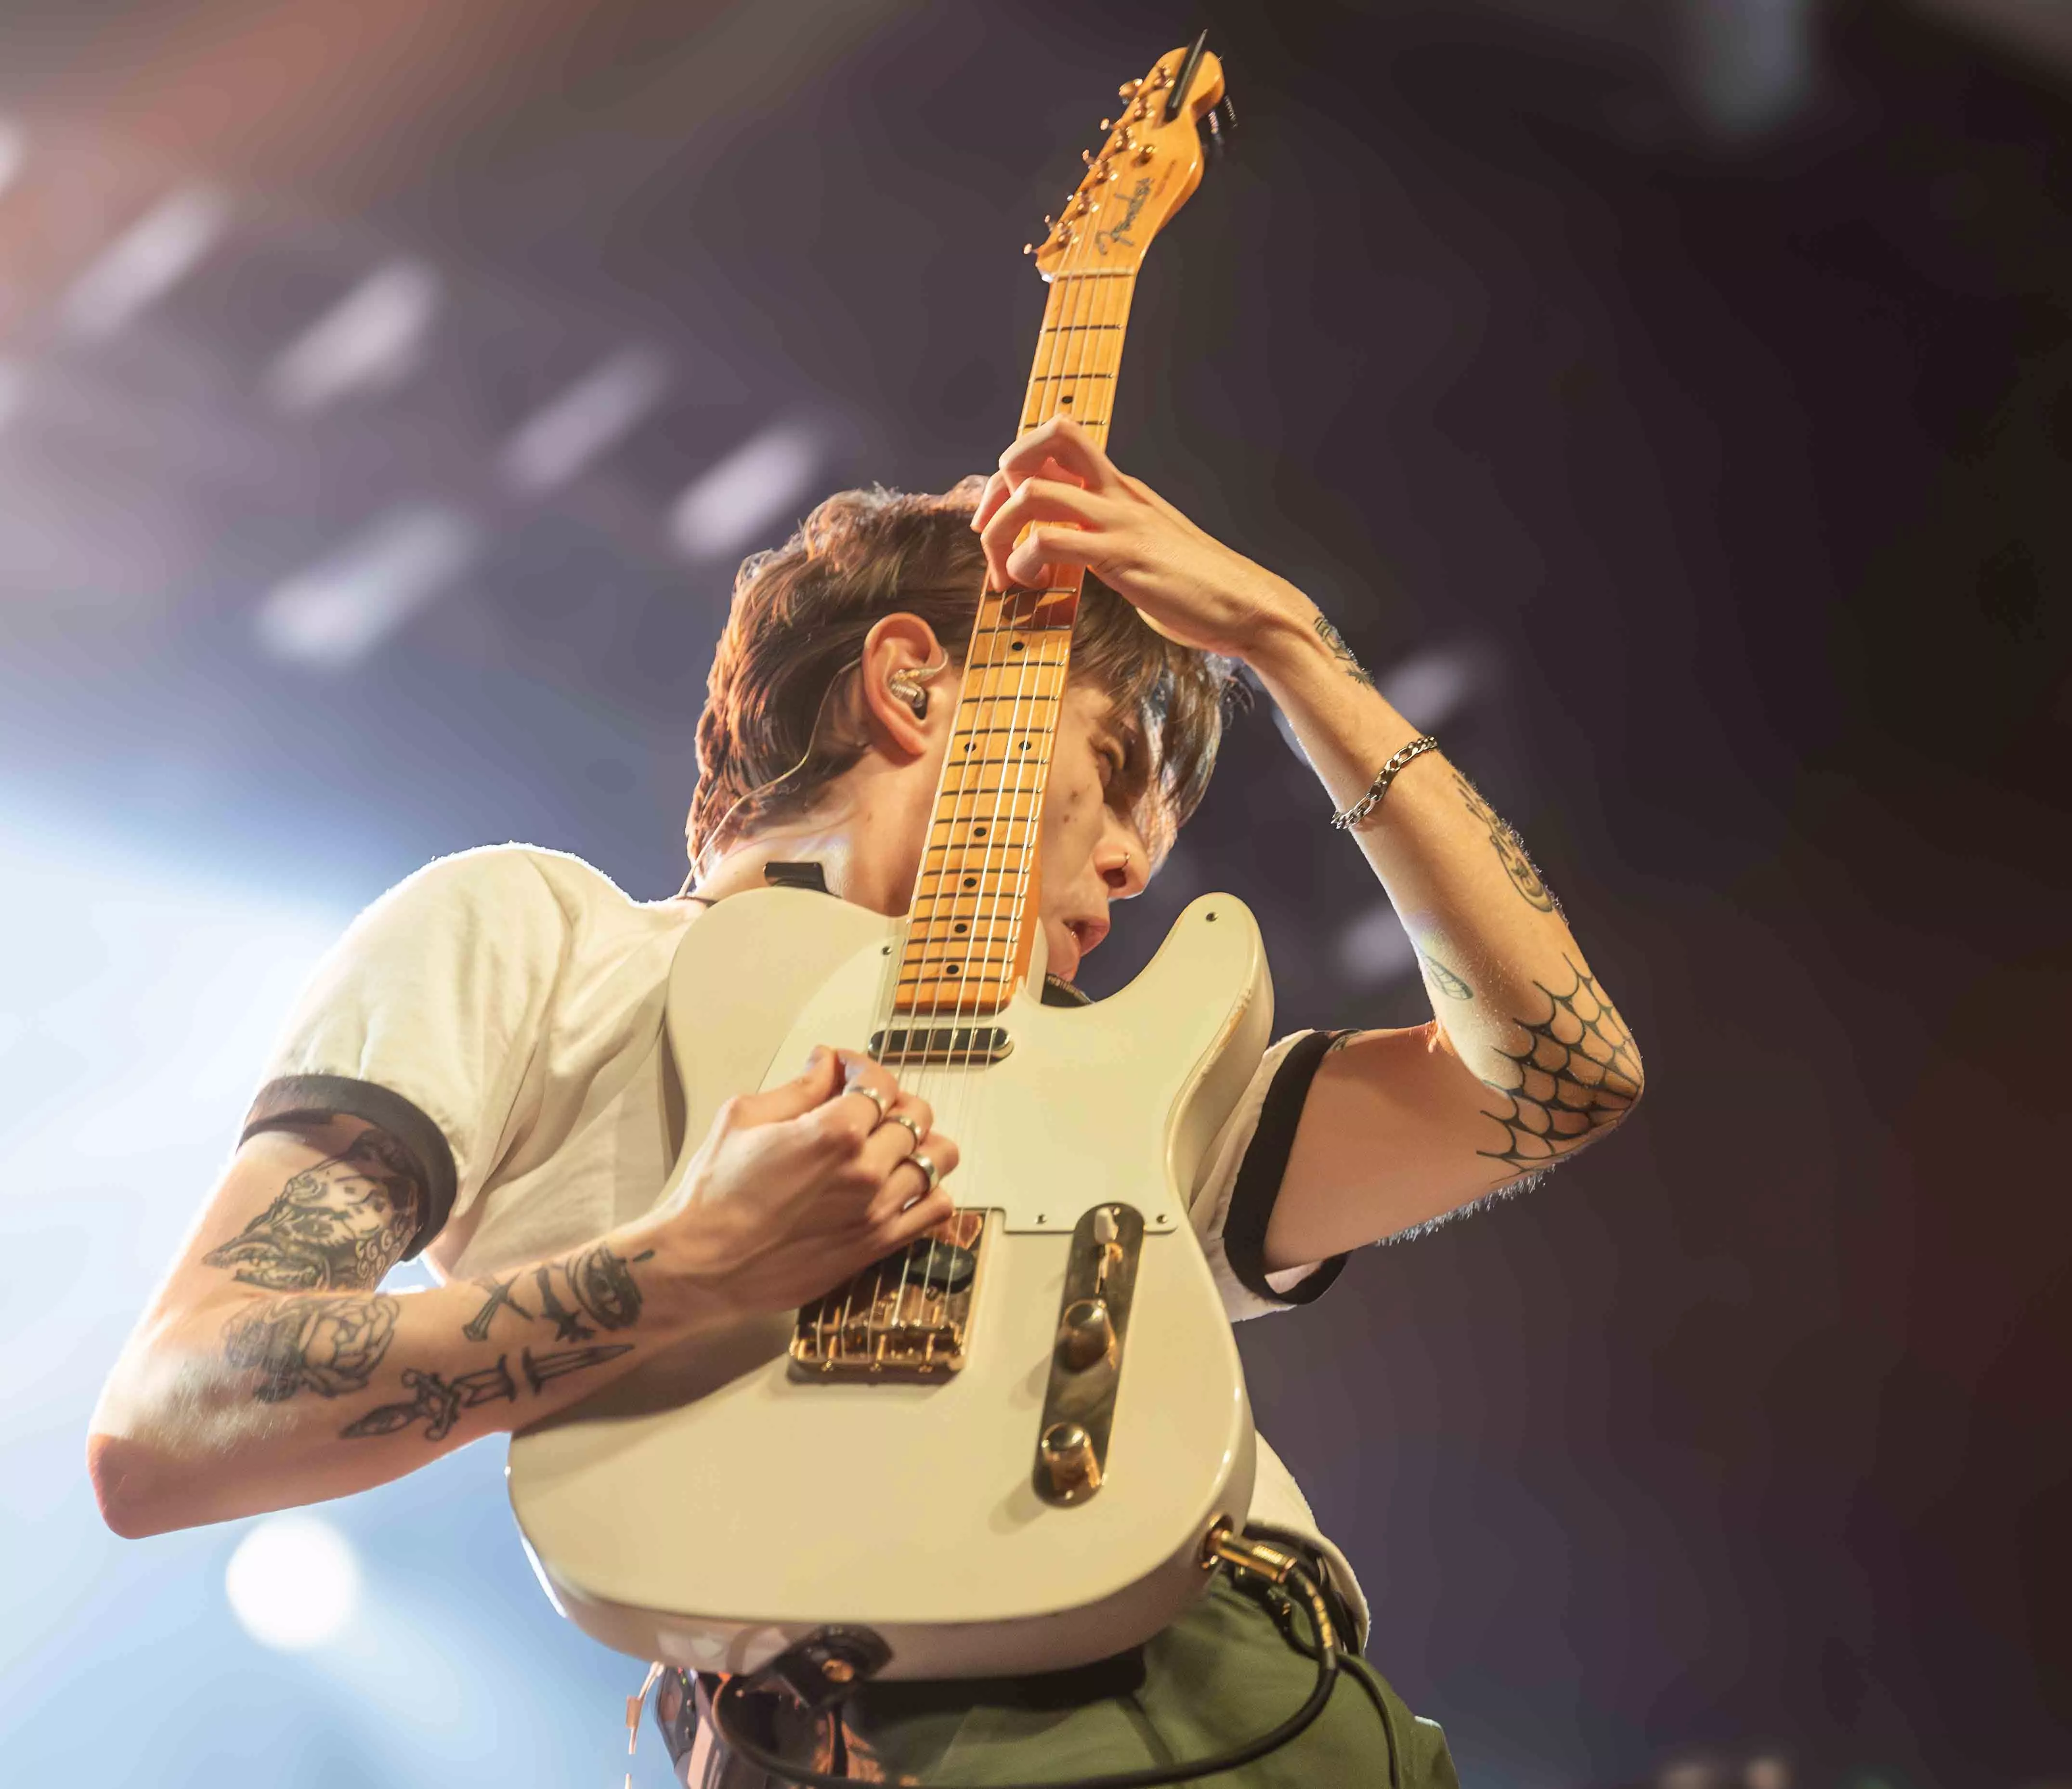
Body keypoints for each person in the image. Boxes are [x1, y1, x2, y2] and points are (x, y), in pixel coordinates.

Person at [86, 416, 1644, 1785]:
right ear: (915, 687)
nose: (1129, 871)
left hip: (1295, 1708)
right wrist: (692, 1265)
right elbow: (173, 1419)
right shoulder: (540, 936)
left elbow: (1559, 1074)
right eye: (1109, 776)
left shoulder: (1121, 1073)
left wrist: (1287, 640)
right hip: (878, 1736)